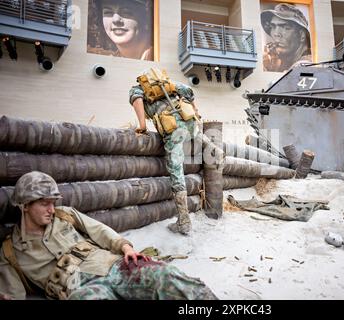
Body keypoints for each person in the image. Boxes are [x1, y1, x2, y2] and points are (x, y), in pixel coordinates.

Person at [0, 171, 218, 300]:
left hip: (113, 266)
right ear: (25, 206)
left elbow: (100, 231)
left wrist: (125, 248)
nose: (51, 209)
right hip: (82, 291)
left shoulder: (65, 215)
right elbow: (12, 294)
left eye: (52, 203)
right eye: (43, 203)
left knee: (167, 276)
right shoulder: (10, 253)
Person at [129, 69, 224, 235]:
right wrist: (195, 110)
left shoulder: (138, 89)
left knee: (176, 170)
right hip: (187, 120)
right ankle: (214, 149)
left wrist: (142, 125)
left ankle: (184, 221)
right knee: (196, 134)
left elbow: (136, 100)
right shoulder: (169, 84)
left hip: (171, 127)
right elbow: (189, 91)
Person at [261, 3, 311, 72]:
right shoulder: (282, 63)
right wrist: (272, 69)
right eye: (273, 27)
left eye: (286, 28)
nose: (276, 34)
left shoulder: (305, 66)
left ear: (302, 35)